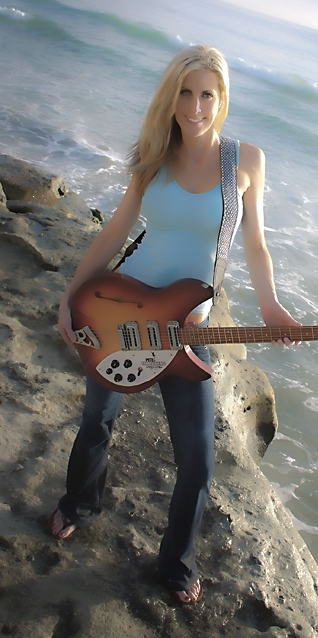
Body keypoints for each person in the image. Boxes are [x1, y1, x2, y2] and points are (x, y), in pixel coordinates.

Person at [52, 44, 301, 604]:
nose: (195, 106)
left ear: (222, 98)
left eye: (207, 94)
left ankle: (177, 561)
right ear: (171, 96)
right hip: (123, 309)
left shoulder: (246, 162)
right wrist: (70, 296)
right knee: (97, 419)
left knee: (197, 457)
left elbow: (257, 247)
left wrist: (270, 306)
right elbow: (116, 231)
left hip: (188, 328)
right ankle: (80, 502)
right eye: (185, 93)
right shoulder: (154, 153)